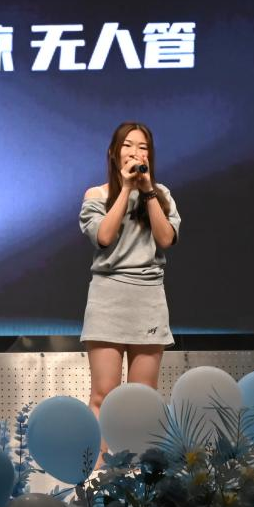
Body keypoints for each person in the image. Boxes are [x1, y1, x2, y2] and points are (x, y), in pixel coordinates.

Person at [78, 121, 181, 432]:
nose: (135, 152)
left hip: (148, 300)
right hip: (108, 299)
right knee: (103, 395)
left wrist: (147, 192)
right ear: (113, 153)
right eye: (128, 145)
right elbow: (104, 236)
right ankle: (97, 462)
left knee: (142, 399)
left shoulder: (161, 195)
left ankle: (139, 462)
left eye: (142, 147)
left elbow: (166, 238)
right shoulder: (96, 194)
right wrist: (125, 189)